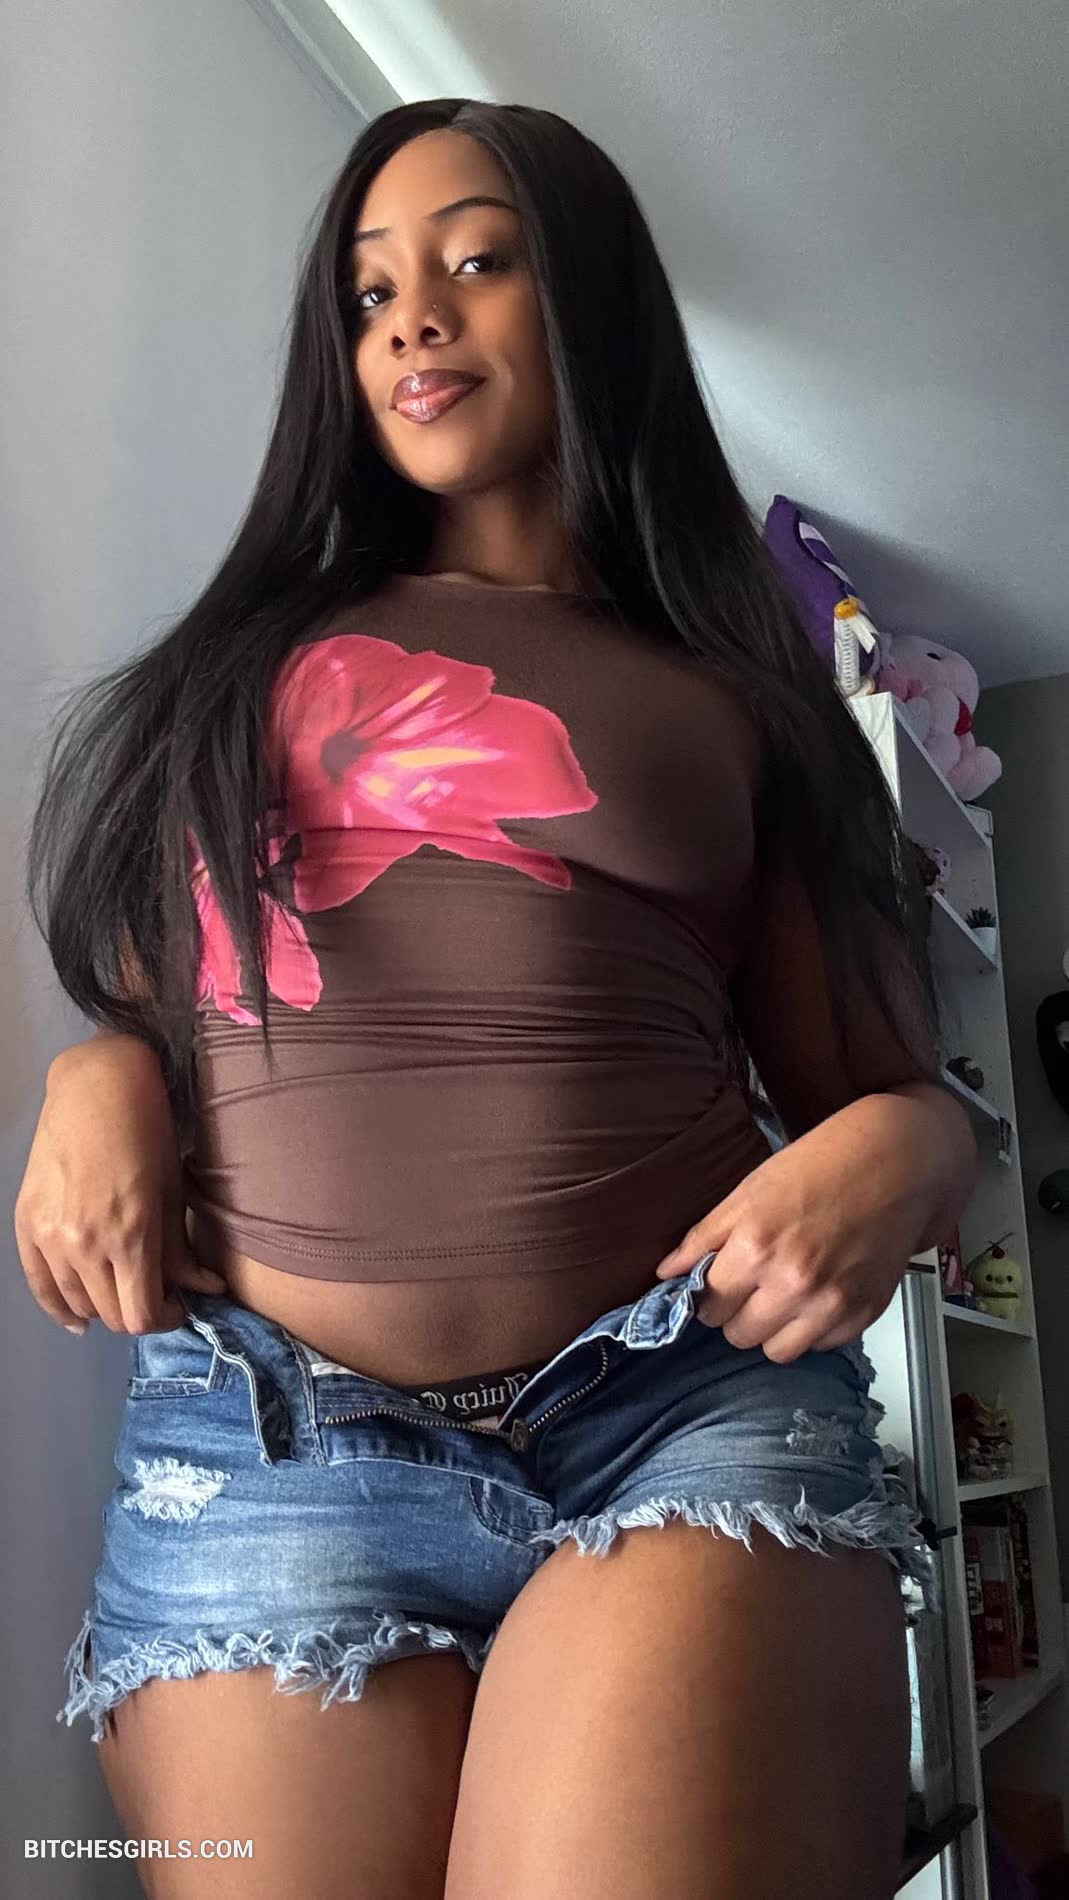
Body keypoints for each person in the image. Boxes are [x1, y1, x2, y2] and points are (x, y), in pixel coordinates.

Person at [16, 98, 976, 1900]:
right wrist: (95, 1082)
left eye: (477, 259)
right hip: (267, 1442)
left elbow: (883, 1095)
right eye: (370, 291)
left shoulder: (734, 688)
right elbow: (159, 1010)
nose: (415, 318)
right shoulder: (241, 668)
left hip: (676, 1412)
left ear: (590, 299)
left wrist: (913, 1148)